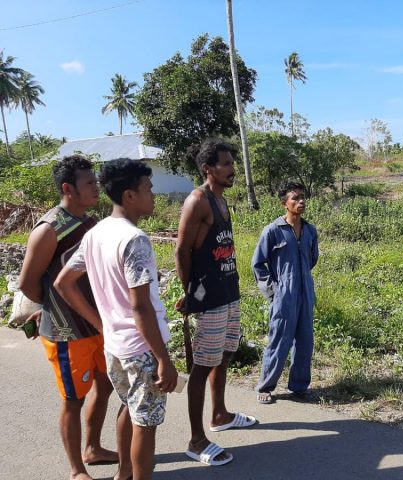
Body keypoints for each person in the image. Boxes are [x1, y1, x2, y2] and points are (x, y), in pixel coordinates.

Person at [55, 159, 178, 480]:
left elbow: (63, 282)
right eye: (149, 188)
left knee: (130, 408)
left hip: (114, 346)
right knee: (145, 423)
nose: (154, 195)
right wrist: (163, 360)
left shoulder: (96, 233)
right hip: (142, 347)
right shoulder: (135, 239)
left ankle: (123, 474)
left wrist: (102, 325)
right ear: (130, 196)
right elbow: (141, 308)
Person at [19, 155, 118, 480]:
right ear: (68, 188)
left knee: (105, 385)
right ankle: (77, 470)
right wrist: (54, 307)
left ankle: (93, 448)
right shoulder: (49, 230)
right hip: (66, 333)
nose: (96, 187)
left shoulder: (90, 223)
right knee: (73, 400)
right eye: (89, 183)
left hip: (98, 325)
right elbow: (28, 283)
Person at [175, 140, 253, 467]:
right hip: (208, 296)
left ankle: (220, 414)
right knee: (203, 365)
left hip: (228, 290)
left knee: (226, 352)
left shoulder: (221, 200)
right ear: (208, 168)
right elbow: (182, 250)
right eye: (226, 163)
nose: (232, 168)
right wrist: (190, 292)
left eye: (232, 162)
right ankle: (196, 440)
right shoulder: (198, 200)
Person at [252, 181, 319, 404]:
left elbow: (312, 258)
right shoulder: (273, 231)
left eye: (302, 197)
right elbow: (258, 264)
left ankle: (299, 387)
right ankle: (265, 387)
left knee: (305, 340)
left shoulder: (310, 230)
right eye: (295, 198)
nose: (301, 201)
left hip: (305, 291)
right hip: (283, 294)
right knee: (279, 340)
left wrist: (301, 280)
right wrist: (274, 291)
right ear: (284, 203)